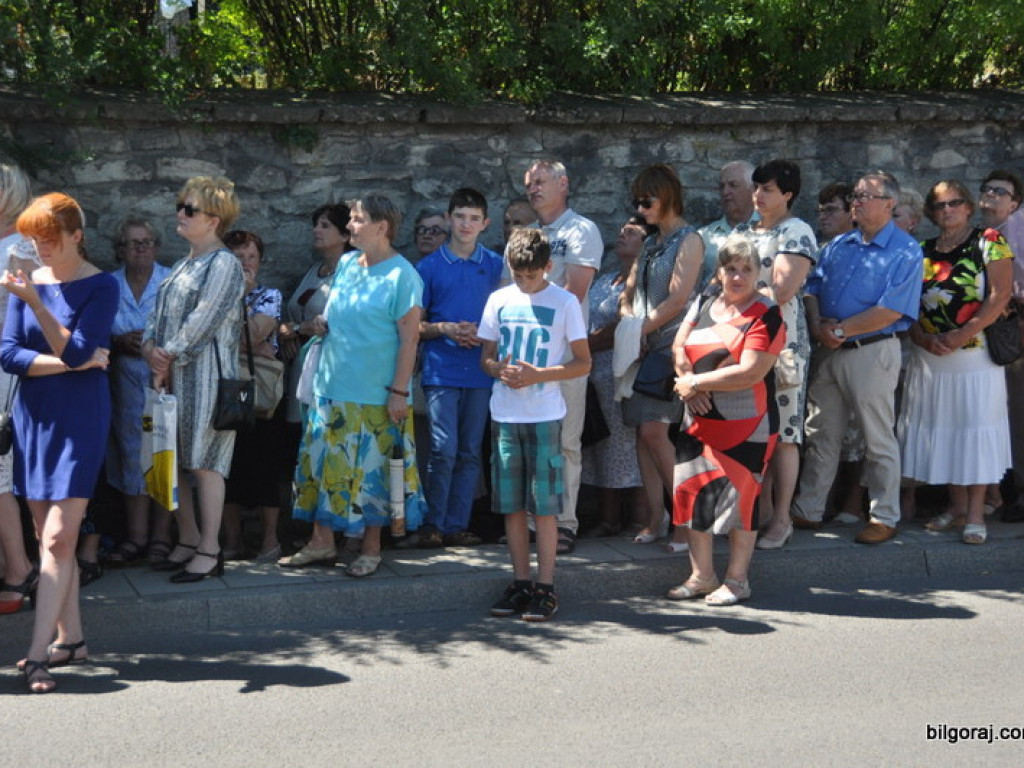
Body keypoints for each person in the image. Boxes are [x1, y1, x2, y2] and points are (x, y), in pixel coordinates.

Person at [2, 193, 118, 693]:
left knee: (56, 539)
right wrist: (75, 361)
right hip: (34, 417)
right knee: (51, 539)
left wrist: (33, 304)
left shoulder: (101, 286)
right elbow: (7, 354)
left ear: (76, 236)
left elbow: (74, 348)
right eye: (34, 240)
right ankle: (71, 639)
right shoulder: (28, 281)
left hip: (79, 420)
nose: (39, 249)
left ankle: (35, 657)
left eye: (48, 240)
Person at [281, 194, 427, 577]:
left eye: (358, 220)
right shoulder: (346, 263)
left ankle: (371, 548)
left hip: (376, 394)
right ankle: (321, 543)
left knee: (372, 472)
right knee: (322, 466)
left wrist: (398, 392)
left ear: (382, 227)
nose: (350, 226)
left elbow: (409, 339)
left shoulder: (403, 276)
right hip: (330, 387)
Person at [793, 172, 923, 544]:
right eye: (856, 195)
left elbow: (891, 310)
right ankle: (808, 509)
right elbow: (812, 287)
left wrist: (838, 331)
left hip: (871, 350)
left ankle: (884, 515)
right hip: (829, 348)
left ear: (890, 204)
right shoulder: (839, 245)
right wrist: (819, 325)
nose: (857, 201)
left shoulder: (905, 250)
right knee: (821, 433)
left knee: (877, 436)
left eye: (867, 196)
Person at [479, 227, 591, 621]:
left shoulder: (564, 302)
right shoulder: (499, 299)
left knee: (544, 508)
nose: (525, 283)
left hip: (544, 415)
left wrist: (537, 375)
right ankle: (520, 581)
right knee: (511, 506)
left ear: (548, 267)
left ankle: (546, 586)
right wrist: (498, 369)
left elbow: (583, 362)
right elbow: (486, 356)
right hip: (505, 413)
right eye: (517, 274)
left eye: (532, 275)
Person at [667, 234, 784, 605]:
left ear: (756, 273)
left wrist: (696, 382)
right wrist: (692, 387)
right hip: (697, 416)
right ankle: (701, 576)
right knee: (692, 493)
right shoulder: (704, 300)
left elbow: (750, 371)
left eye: (745, 270)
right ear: (719, 272)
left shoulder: (766, 312)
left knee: (740, 501)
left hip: (746, 424)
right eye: (730, 269)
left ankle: (737, 581)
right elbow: (678, 345)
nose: (737, 276)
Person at [898, 180, 1013, 544]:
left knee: (974, 432)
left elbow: (999, 296)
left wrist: (963, 334)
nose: (947, 209)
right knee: (944, 434)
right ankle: (956, 506)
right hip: (930, 358)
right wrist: (922, 338)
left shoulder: (990, 241)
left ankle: (976, 513)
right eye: (939, 205)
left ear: (968, 207)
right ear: (931, 213)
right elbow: (907, 304)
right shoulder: (922, 250)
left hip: (974, 357)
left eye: (955, 202)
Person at [142, 176, 244, 582]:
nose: (180, 214)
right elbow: (157, 318)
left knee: (206, 463)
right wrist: (151, 350)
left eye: (190, 209)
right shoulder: (183, 264)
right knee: (176, 462)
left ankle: (210, 548)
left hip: (207, 379)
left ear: (214, 219)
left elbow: (203, 323)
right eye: (180, 206)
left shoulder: (225, 264)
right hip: (169, 378)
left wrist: (165, 357)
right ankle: (186, 539)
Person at [411, 188, 503, 548]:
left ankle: (456, 525)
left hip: (480, 368)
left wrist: (483, 335)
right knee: (442, 448)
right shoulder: (428, 267)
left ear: (485, 223)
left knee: (469, 451)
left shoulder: (495, 265)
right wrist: (446, 328)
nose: (466, 225)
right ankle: (432, 523)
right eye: (460, 217)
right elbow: (414, 326)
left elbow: (507, 316)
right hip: (441, 368)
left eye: (474, 218)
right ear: (449, 219)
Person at [519, 159, 603, 553]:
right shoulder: (526, 234)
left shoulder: (580, 230)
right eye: (529, 183)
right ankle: (531, 522)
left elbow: (575, 292)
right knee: (529, 442)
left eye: (540, 181)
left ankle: (564, 522)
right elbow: (510, 293)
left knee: (565, 442)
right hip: (526, 355)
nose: (533, 188)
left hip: (567, 357)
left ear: (563, 184)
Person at [620, 164, 705, 548]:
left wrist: (639, 329)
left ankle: (684, 522)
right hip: (646, 346)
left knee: (655, 432)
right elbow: (629, 294)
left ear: (666, 195)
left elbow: (678, 299)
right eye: (636, 200)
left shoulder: (689, 239)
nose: (640, 206)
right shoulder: (652, 242)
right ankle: (656, 520)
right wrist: (630, 326)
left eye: (646, 198)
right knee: (643, 435)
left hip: (673, 347)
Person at [734, 160, 817, 550]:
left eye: (768, 188)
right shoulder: (742, 231)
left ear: (787, 194)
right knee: (752, 431)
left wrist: (736, 294)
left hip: (782, 347)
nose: (758, 195)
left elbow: (781, 291)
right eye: (756, 187)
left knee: (784, 433)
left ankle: (781, 517)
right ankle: (758, 513)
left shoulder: (796, 231)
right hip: (741, 344)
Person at [104, 215, 173, 567]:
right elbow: (95, 332)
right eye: (133, 243)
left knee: (164, 453)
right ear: (120, 250)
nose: (141, 248)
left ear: (156, 246)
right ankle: (136, 537)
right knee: (131, 456)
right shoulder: (109, 285)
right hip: (124, 383)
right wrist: (118, 341)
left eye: (147, 242)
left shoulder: (170, 281)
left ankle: (162, 537)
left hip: (164, 381)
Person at [580, 216, 651, 538]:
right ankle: (607, 519)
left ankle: (639, 520)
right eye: (621, 229)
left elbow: (629, 325)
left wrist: (588, 344)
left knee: (629, 452)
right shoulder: (604, 280)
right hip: (594, 377)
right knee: (601, 450)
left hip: (623, 375)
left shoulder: (646, 284)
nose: (621, 234)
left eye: (632, 232)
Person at [221, 230, 284, 562]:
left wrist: (244, 301)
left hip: (259, 390)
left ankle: (270, 540)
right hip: (226, 387)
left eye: (251, 257)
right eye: (237, 257)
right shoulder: (215, 296)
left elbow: (253, 336)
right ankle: (232, 541)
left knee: (264, 465)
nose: (245, 264)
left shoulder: (270, 295)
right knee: (227, 464)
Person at [0, 163, 40, 616]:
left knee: (1, 472)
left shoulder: (22, 248)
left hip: (7, 370)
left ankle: (19, 567)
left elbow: (33, 314)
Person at [978, 171, 1024, 519]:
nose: (992, 195)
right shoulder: (984, 236)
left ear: (1015, 203)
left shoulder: (1016, 230)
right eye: (988, 190)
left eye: (1001, 192)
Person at [698, 160, 756, 282]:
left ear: (752, 190)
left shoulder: (771, 232)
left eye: (733, 185)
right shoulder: (703, 237)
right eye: (722, 186)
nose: (725, 192)